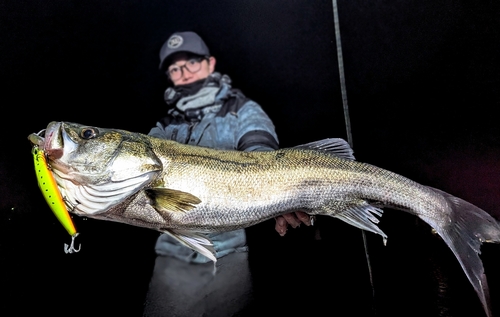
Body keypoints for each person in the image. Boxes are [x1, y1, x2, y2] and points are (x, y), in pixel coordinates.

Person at [142, 31, 311, 317]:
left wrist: (281, 196)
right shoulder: (164, 126)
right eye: (174, 68)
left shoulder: (242, 110)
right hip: (173, 253)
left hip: (229, 252)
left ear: (210, 63)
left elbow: (262, 154)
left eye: (191, 63)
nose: (183, 73)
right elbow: (143, 178)